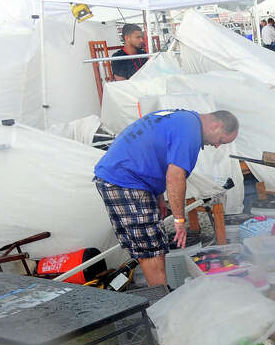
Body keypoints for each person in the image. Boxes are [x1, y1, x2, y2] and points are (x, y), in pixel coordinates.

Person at [93, 110, 239, 286]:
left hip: (125, 178)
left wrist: (159, 196)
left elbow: (155, 153)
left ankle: (160, 294)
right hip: (125, 181)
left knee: (148, 245)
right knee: (151, 249)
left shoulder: (183, 119)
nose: (217, 146)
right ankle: (163, 303)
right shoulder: (190, 131)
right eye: (221, 140)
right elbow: (175, 176)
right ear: (217, 126)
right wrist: (179, 220)